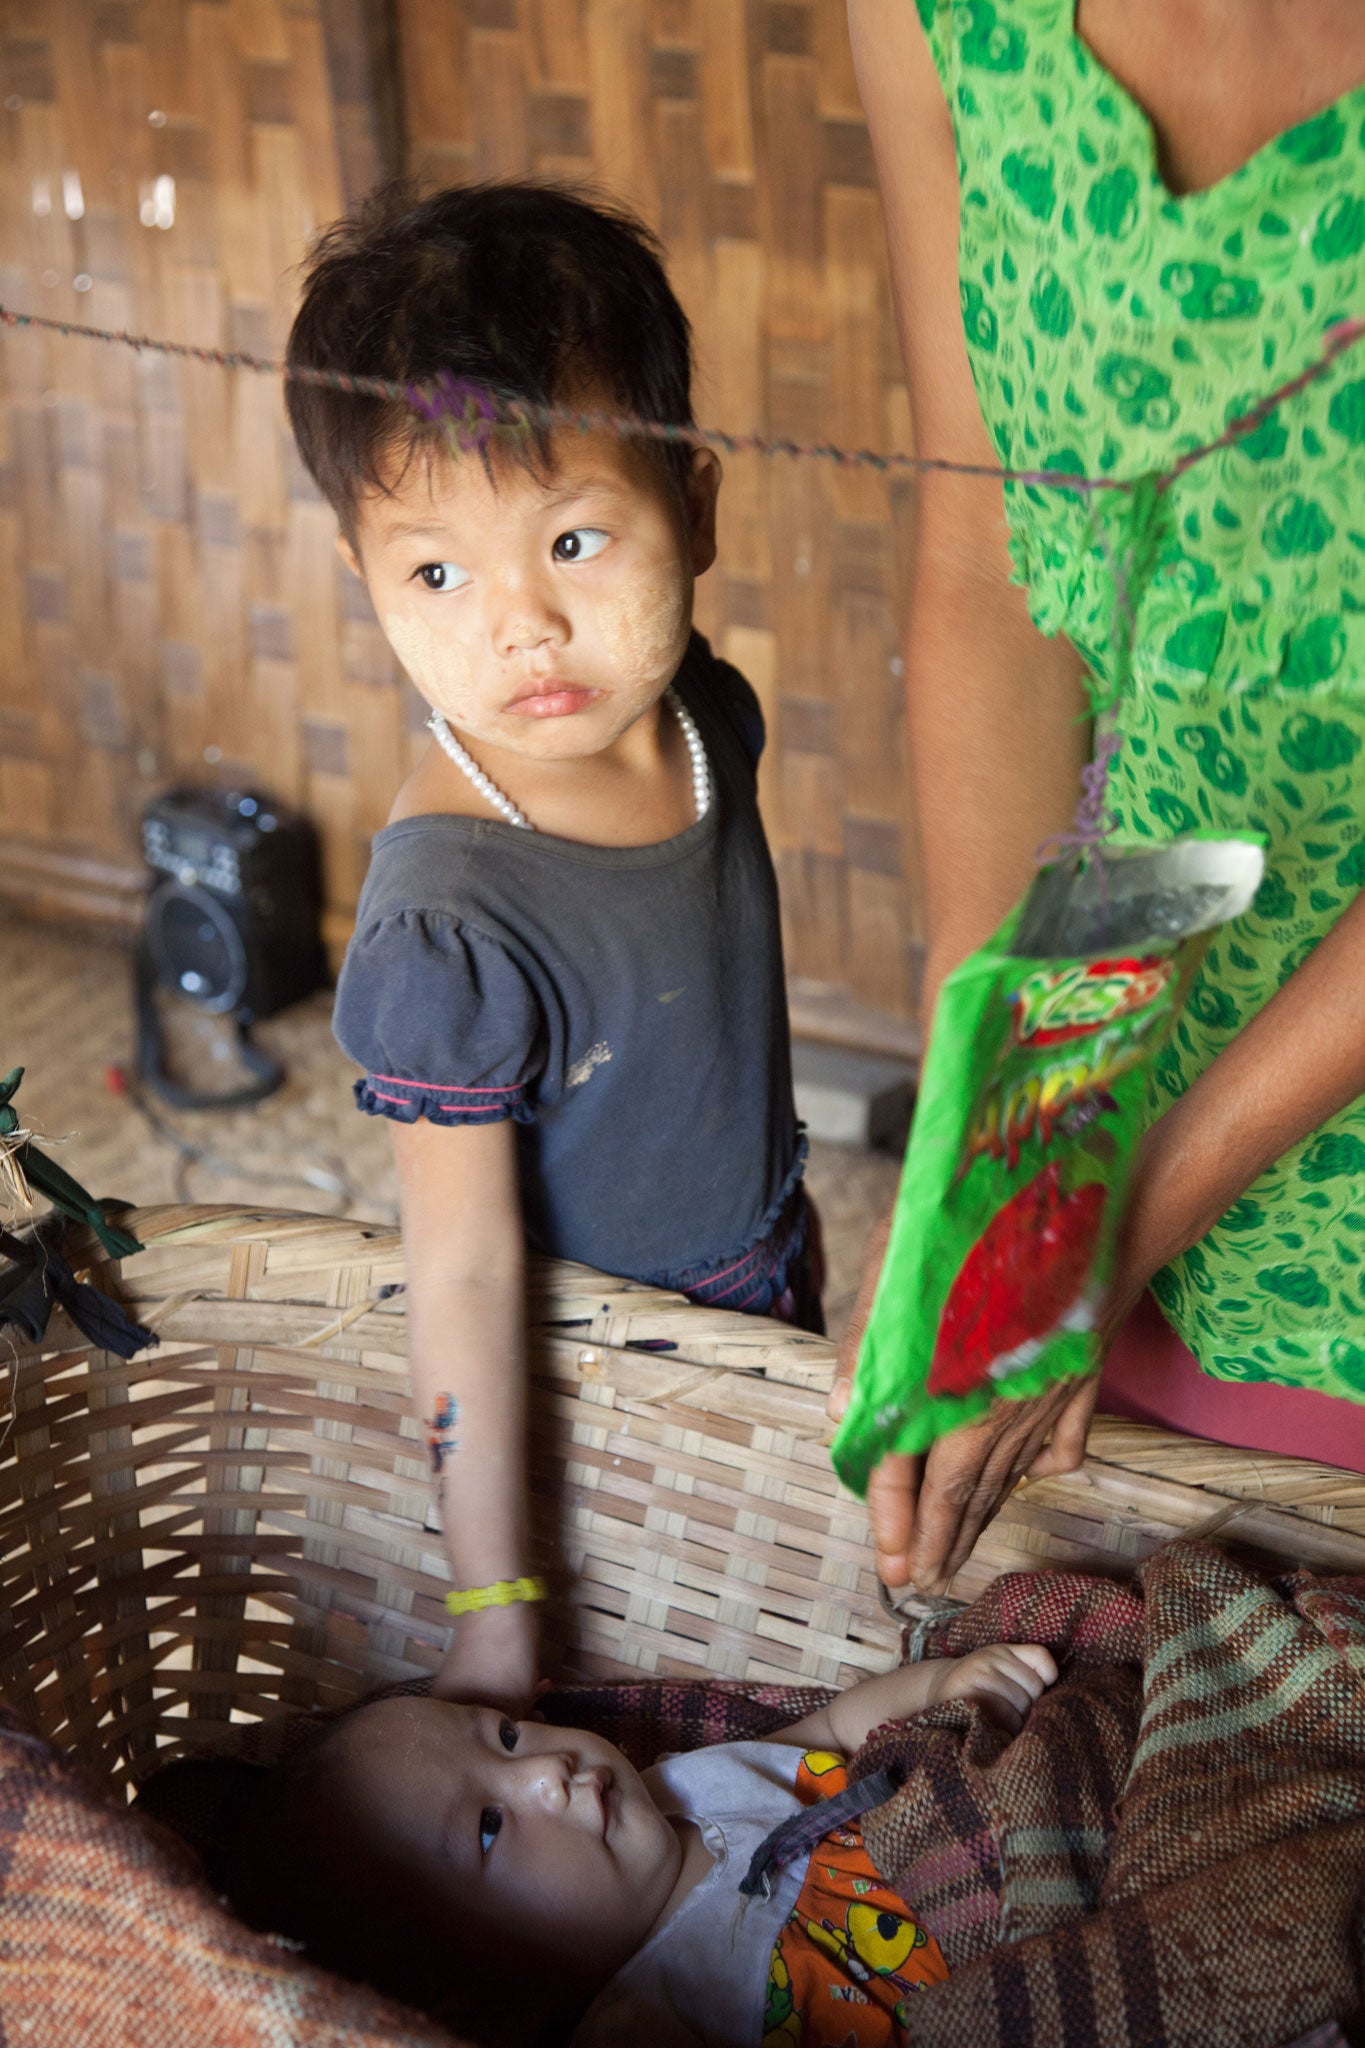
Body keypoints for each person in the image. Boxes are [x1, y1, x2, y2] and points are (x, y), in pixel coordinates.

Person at [833, 0, 1365, 1595]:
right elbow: (995, 566)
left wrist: (1132, 1202)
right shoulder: (940, 20)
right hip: (1133, 1022)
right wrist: (997, 1148)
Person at [286, 182, 822, 1715]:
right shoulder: (446, 924)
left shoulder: (707, 715)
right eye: (437, 573)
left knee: (779, 1643)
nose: (519, 627)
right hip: (593, 1388)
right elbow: (458, 1267)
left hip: (764, 1275)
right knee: (657, 1695)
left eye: (575, 539)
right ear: (367, 584)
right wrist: (497, 1606)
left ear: (696, 511)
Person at [225, 1643, 1057, 2045]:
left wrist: (947, 1686)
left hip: (1017, 1882)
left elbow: (841, 1724)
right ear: (496, 2004)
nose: (548, 1772)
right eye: (488, 1827)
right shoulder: (645, 2024)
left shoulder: (685, 1783)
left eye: (507, 1737)